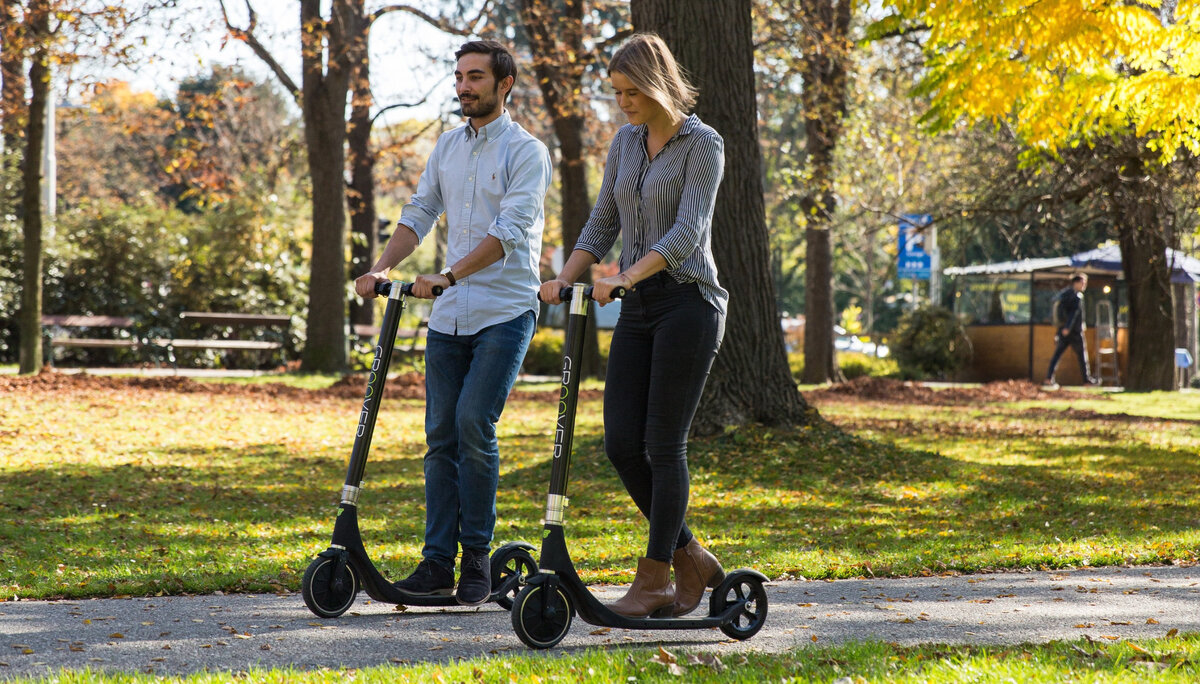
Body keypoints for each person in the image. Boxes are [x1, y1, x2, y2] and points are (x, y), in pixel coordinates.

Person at [354, 40, 552, 606]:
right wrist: (383, 267)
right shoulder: (446, 147)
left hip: (504, 311)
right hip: (449, 317)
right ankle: (437, 564)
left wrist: (448, 274)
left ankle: (477, 563)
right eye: (460, 76)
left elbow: (510, 232)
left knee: (472, 424)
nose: (464, 87)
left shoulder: (526, 152)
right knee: (439, 436)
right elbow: (419, 211)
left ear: (504, 84)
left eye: (476, 77)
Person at [539, 33, 726, 618]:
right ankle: (692, 554)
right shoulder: (623, 142)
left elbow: (687, 233)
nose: (622, 103)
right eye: (616, 93)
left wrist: (625, 276)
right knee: (622, 443)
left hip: (688, 302)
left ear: (657, 83)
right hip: (639, 307)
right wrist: (565, 278)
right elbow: (602, 220)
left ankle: (655, 577)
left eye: (631, 91)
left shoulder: (704, 144)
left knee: (663, 445)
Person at [1044, 272, 1096, 388]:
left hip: (1063, 330)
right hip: (1074, 332)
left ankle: (1048, 378)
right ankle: (1086, 380)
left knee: (1057, 355)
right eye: (1083, 283)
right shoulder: (1076, 296)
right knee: (1082, 356)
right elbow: (1073, 314)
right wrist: (1068, 327)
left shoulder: (1064, 294)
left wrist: (1062, 329)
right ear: (1076, 283)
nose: (1084, 286)